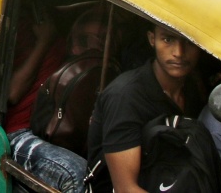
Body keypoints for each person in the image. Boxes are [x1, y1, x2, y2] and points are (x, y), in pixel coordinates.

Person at [86, 24, 205, 193]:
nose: (178, 52)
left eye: (189, 41)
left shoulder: (192, 88)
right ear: (152, 39)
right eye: (167, 39)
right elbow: (126, 189)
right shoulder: (125, 96)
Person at [5, 7, 110, 193]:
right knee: (77, 175)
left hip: (56, 127)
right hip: (20, 131)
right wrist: (44, 40)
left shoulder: (57, 27)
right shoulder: (16, 27)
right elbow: (12, 93)